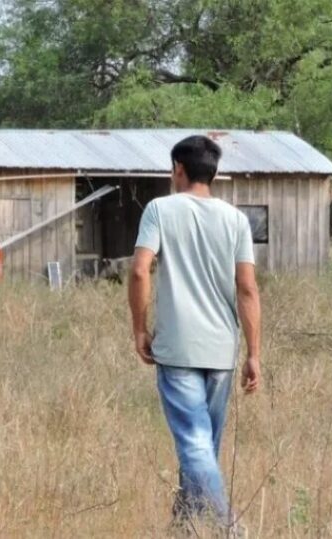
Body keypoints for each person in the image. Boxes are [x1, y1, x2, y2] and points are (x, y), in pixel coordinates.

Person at [128, 135, 262, 529]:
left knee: (195, 445)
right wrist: (253, 354)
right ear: (214, 173)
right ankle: (184, 524)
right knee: (202, 446)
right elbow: (248, 288)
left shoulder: (160, 209)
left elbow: (139, 269)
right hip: (222, 351)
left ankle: (227, 527)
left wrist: (139, 329)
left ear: (178, 170)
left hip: (178, 350)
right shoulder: (235, 219)